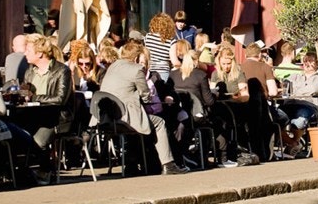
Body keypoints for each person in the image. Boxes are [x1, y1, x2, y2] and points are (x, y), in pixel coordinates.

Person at [98, 40, 188, 175]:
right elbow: (146, 97)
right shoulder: (136, 69)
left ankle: (132, 164)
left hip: (106, 118)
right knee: (159, 122)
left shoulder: (112, 67)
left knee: (139, 124)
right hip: (126, 118)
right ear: (135, 58)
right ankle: (168, 164)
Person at [20, 35, 74, 184]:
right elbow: (25, 94)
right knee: (15, 134)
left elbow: (60, 99)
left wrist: (34, 98)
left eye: (28, 50)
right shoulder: (30, 71)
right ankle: (20, 171)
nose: (25, 53)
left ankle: (45, 171)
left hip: (56, 118)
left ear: (39, 53)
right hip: (33, 116)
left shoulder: (62, 71)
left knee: (38, 141)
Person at [171, 50, 237, 168]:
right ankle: (222, 157)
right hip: (196, 115)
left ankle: (202, 156)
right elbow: (209, 101)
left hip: (178, 114)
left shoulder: (173, 75)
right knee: (220, 122)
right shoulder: (200, 75)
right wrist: (215, 94)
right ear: (196, 61)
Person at [145, 12, 177, 81]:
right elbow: (175, 62)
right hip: (163, 72)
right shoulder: (171, 40)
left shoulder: (148, 37)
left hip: (150, 71)